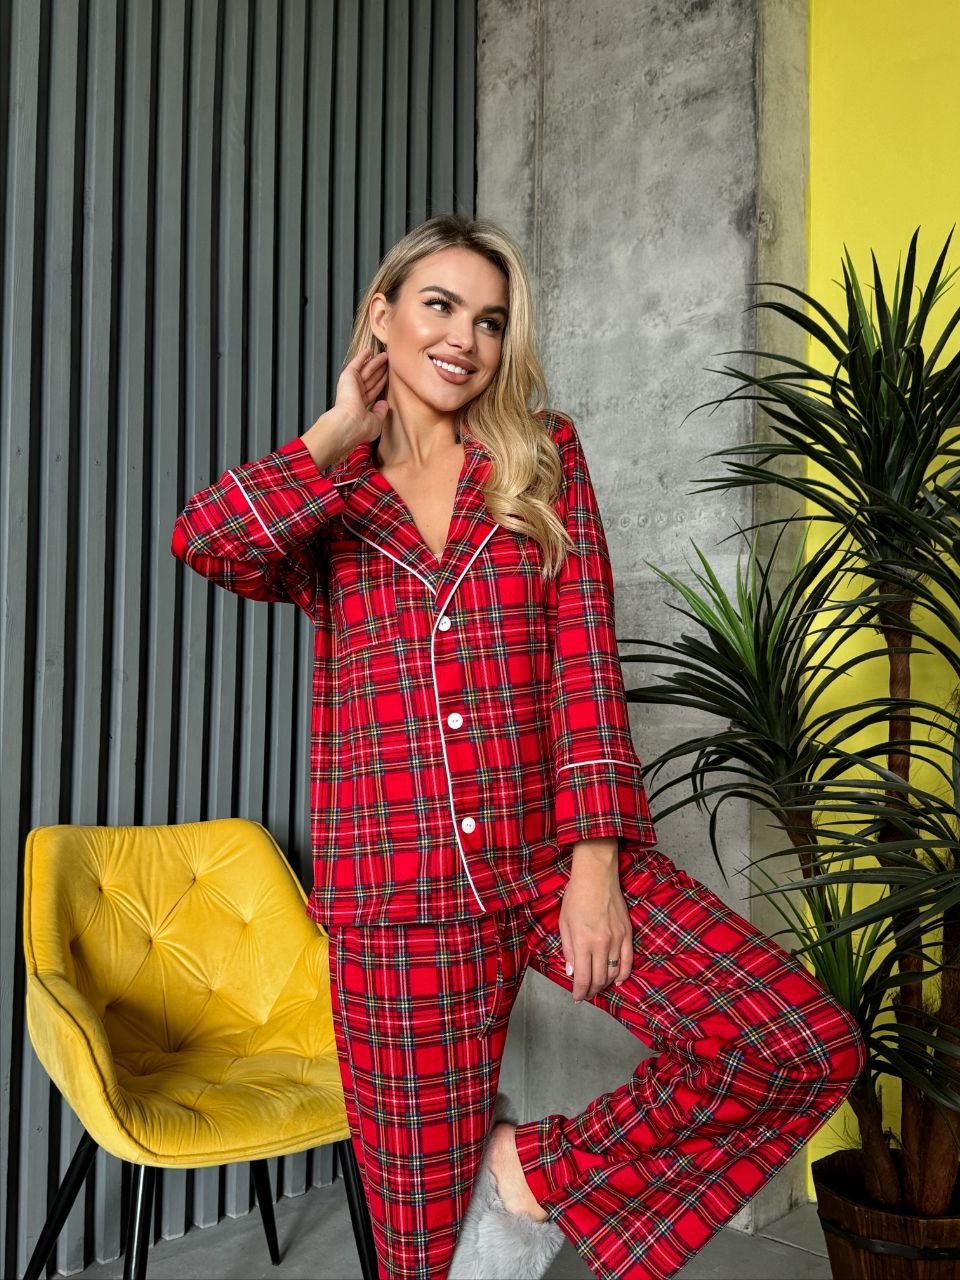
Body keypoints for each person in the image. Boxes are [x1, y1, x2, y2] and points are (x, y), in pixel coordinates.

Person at [171, 213, 867, 1280]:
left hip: (546, 854)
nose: (466, 338)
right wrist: (334, 432)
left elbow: (582, 664)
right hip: (398, 900)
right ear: (382, 316)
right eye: (440, 306)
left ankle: (528, 1171)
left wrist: (596, 867)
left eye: (491, 320)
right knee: (419, 1251)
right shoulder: (329, 494)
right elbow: (207, 539)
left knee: (798, 1039)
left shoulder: (542, 458)